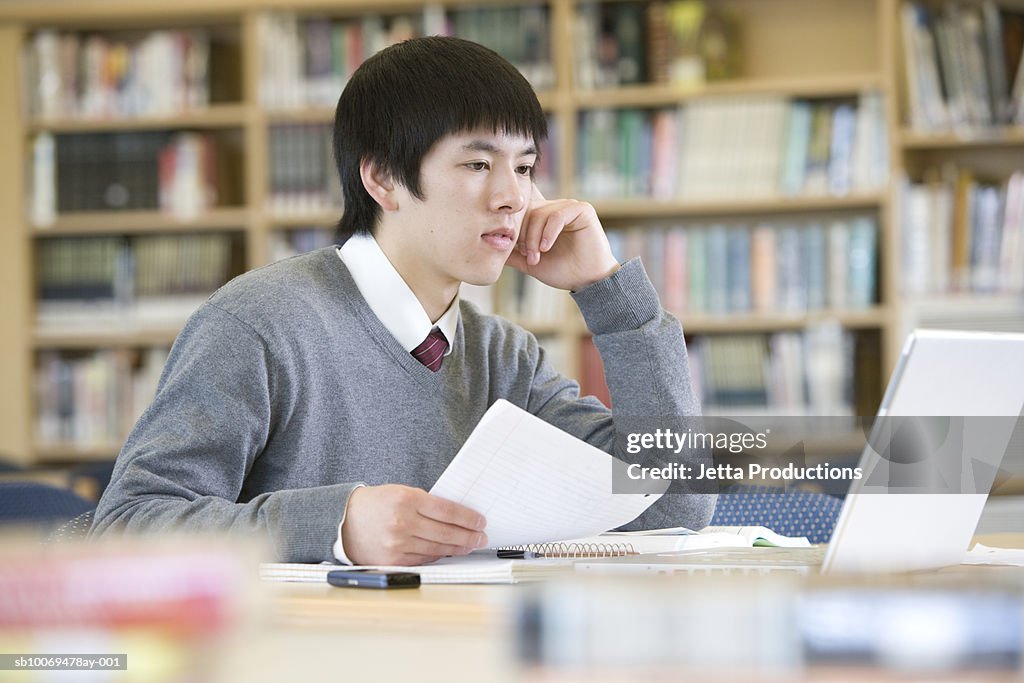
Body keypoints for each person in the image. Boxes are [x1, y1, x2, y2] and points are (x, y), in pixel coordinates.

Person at [92, 36, 713, 565]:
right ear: (383, 178)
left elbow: (673, 504)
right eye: (477, 164)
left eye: (525, 168)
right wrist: (337, 526)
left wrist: (607, 293)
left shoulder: (503, 356)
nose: (512, 197)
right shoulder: (259, 323)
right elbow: (128, 523)